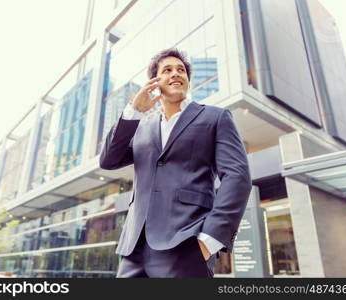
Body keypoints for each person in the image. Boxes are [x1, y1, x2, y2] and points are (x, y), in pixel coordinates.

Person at [100, 48, 252, 277]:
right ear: (155, 81)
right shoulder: (141, 128)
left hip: (186, 243)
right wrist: (134, 110)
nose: (175, 74)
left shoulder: (215, 118)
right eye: (167, 70)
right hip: (134, 248)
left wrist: (210, 239)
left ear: (188, 81)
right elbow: (108, 160)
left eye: (181, 70)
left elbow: (237, 177)